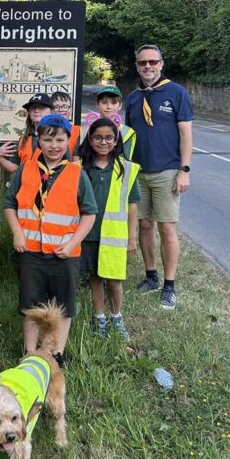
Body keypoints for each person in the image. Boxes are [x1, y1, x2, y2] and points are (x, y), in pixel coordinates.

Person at [3, 114, 98, 367]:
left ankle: (56, 353)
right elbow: (9, 204)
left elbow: (89, 213)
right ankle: (30, 352)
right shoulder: (26, 170)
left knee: (63, 304)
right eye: (47, 140)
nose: (53, 146)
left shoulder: (77, 174)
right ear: (38, 141)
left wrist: (71, 243)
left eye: (59, 139)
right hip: (31, 252)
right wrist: (17, 232)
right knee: (31, 304)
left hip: (64, 253)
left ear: (68, 140)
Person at [124, 44, 193, 310]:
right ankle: (150, 275)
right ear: (137, 66)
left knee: (167, 228)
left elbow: (186, 135)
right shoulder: (133, 98)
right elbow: (127, 138)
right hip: (138, 173)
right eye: (143, 63)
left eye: (153, 62)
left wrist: (184, 170)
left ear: (161, 64)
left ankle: (169, 285)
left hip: (167, 171)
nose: (148, 67)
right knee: (144, 225)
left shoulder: (177, 93)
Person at [78, 118, 141, 340]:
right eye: (98, 137)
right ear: (90, 139)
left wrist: (131, 238)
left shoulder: (127, 169)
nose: (103, 142)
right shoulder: (80, 168)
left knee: (114, 279)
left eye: (108, 138)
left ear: (116, 141)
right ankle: (100, 317)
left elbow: (133, 206)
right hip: (89, 233)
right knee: (95, 275)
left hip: (115, 235)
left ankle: (116, 316)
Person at [0, 93, 53, 174]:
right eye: (32, 108)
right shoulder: (23, 139)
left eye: (41, 107)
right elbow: (14, 168)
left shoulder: (58, 136)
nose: (36, 110)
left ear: (51, 111)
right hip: (26, 184)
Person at [90, 86, 137, 160]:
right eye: (104, 102)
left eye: (114, 103)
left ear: (120, 105)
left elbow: (125, 161)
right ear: (97, 104)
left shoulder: (127, 133)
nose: (109, 107)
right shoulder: (85, 130)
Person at [51, 91, 81, 160]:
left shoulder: (78, 131)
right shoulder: (44, 130)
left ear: (70, 110)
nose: (61, 110)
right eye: (56, 107)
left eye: (65, 106)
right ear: (51, 110)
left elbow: (76, 159)